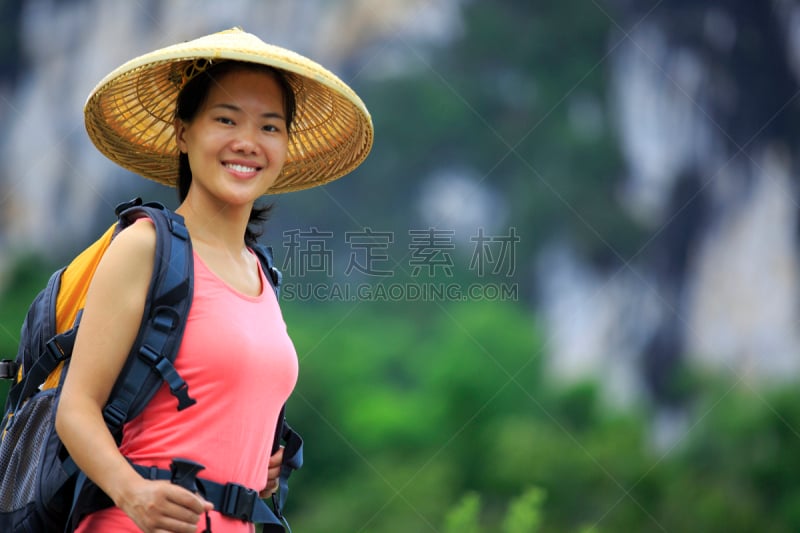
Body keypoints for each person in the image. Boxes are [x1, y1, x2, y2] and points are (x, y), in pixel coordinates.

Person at [54, 28, 373, 533]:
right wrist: (130, 490)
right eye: (225, 120)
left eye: (270, 127)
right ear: (184, 132)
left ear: (286, 145)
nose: (247, 143)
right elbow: (75, 408)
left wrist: (254, 470)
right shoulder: (146, 246)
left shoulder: (262, 274)